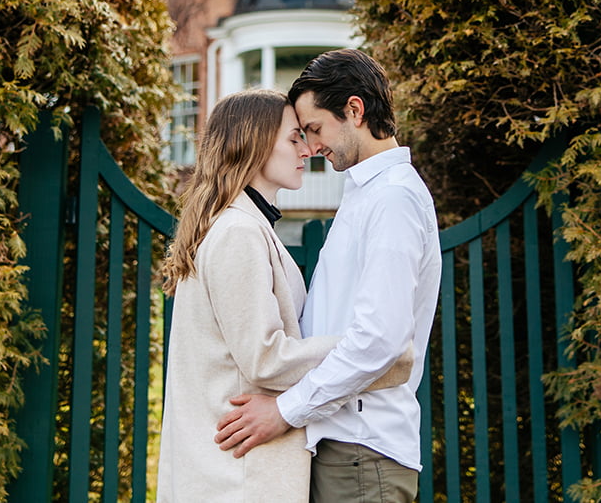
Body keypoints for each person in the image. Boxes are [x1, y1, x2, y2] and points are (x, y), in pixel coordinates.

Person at [156, 87, 409, 502]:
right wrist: (380, 352)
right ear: (254, 145)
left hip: (237, 470)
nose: (307, 150)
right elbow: (265, 357)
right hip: (238, 477)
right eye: (294, 138)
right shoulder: (238, 232)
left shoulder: (242, 226)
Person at [214, 48, 442, 503]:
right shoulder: (366, 194)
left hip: (363, 450)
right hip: (345, 446)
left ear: (354, 110)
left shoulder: (393, 200)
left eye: (315, 129)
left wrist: (285, 410)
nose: (312, 147)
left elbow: (381, 340)